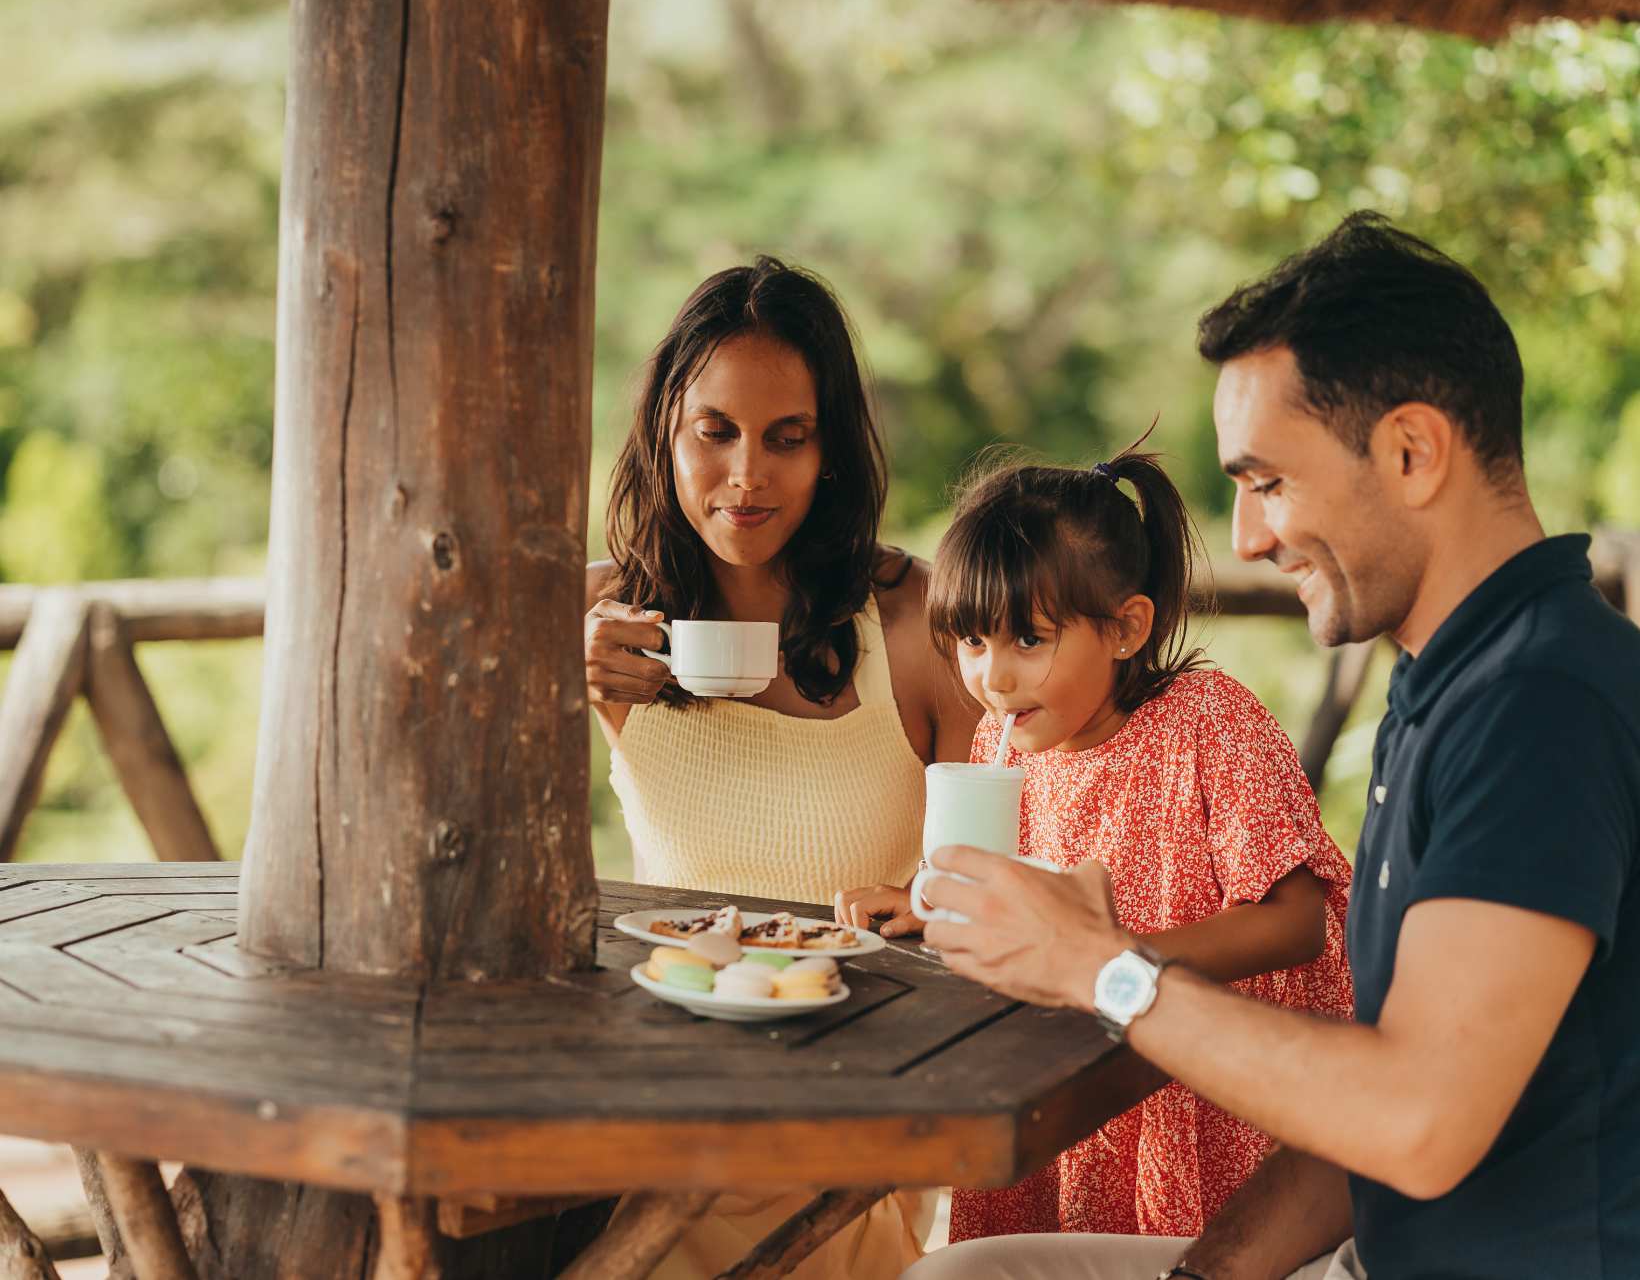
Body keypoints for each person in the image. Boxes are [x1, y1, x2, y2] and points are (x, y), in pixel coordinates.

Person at [904, 212, 1640, 1280]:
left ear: (1409, 451)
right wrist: (1204, 1272)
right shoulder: (1448, 681)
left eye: (1266, 481)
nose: (1245, 536)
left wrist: (1096, 965)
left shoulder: (1541, 706)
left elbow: (1414, 1119)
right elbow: (1364, 1107)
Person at [838, 447, 1352, 1242]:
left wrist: (1114, 960)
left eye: (1029, 641)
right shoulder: (1003, 745)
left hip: (1208, 1094)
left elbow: (1296, 921)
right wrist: (926, 904)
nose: (993, 679)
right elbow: (1017, 891)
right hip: (1072, 1093)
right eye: (972, 643)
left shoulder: (1209, 724)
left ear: (1126, 628)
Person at [585, 256, 977, 1280]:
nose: (746, 476)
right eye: (713, 432)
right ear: (665, 433)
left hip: (848, 1115)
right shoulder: (598, 625)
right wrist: (541, 678)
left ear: (831, 450)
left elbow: (998, 879)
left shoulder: (914, 624)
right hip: (649, 1095)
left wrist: (933, 907)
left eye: (785, 438)